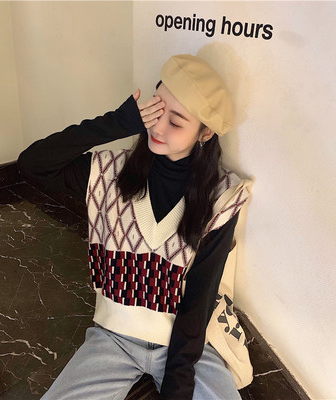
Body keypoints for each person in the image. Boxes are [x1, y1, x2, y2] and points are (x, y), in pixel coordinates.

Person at [17, 54, 252, 400]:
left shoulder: (221, 197)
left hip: (188, 348)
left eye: (176, 122)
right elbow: (33, 164)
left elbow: (199, 298)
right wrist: (117, 122)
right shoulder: (110, 175)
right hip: (113, 338)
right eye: (156, 110)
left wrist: (177, 388)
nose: (157, 127)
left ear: (205, 132)